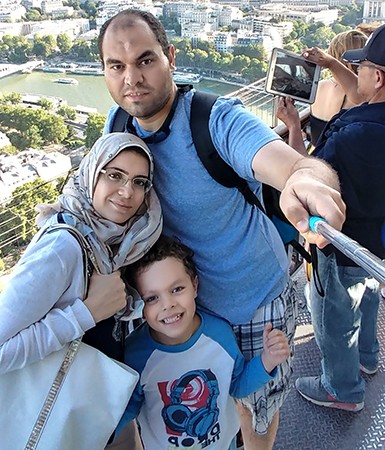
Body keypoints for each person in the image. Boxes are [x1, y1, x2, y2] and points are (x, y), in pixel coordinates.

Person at [98, 10, 345, 449]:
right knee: (201, 409)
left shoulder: (215, 120)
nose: (131, 78)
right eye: (117, 66)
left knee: (256, 410)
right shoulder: (117, 128)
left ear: (171, 57)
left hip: (250, 300)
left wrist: (307, 182)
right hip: (180, 308)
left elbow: (293, 167)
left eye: (145, 60)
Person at [0, 132, 162, 449]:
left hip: (100, 411)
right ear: (91, 174)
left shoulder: (121, 244)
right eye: (114, 175)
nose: (127, 192)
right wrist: (84, 314)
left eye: (140, 182)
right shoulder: (64, 245)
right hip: (56, 419)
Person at [277, 24, 385, 411]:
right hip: (378, 243)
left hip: (343, 244)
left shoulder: (353, 133)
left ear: (376, 76)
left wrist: (292, 126)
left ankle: (342, 389)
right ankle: (369, 357)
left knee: (333, 318)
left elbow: (311, 176)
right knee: (369, 295)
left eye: (364, 69)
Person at [118, 235, 290, 449]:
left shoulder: (220, 334)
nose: (168, 305)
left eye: (177, 289)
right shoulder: (135, 355)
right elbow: (122, 413)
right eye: (152, 298)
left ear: (195, 285)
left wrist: (267, 360)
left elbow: (237, 386)